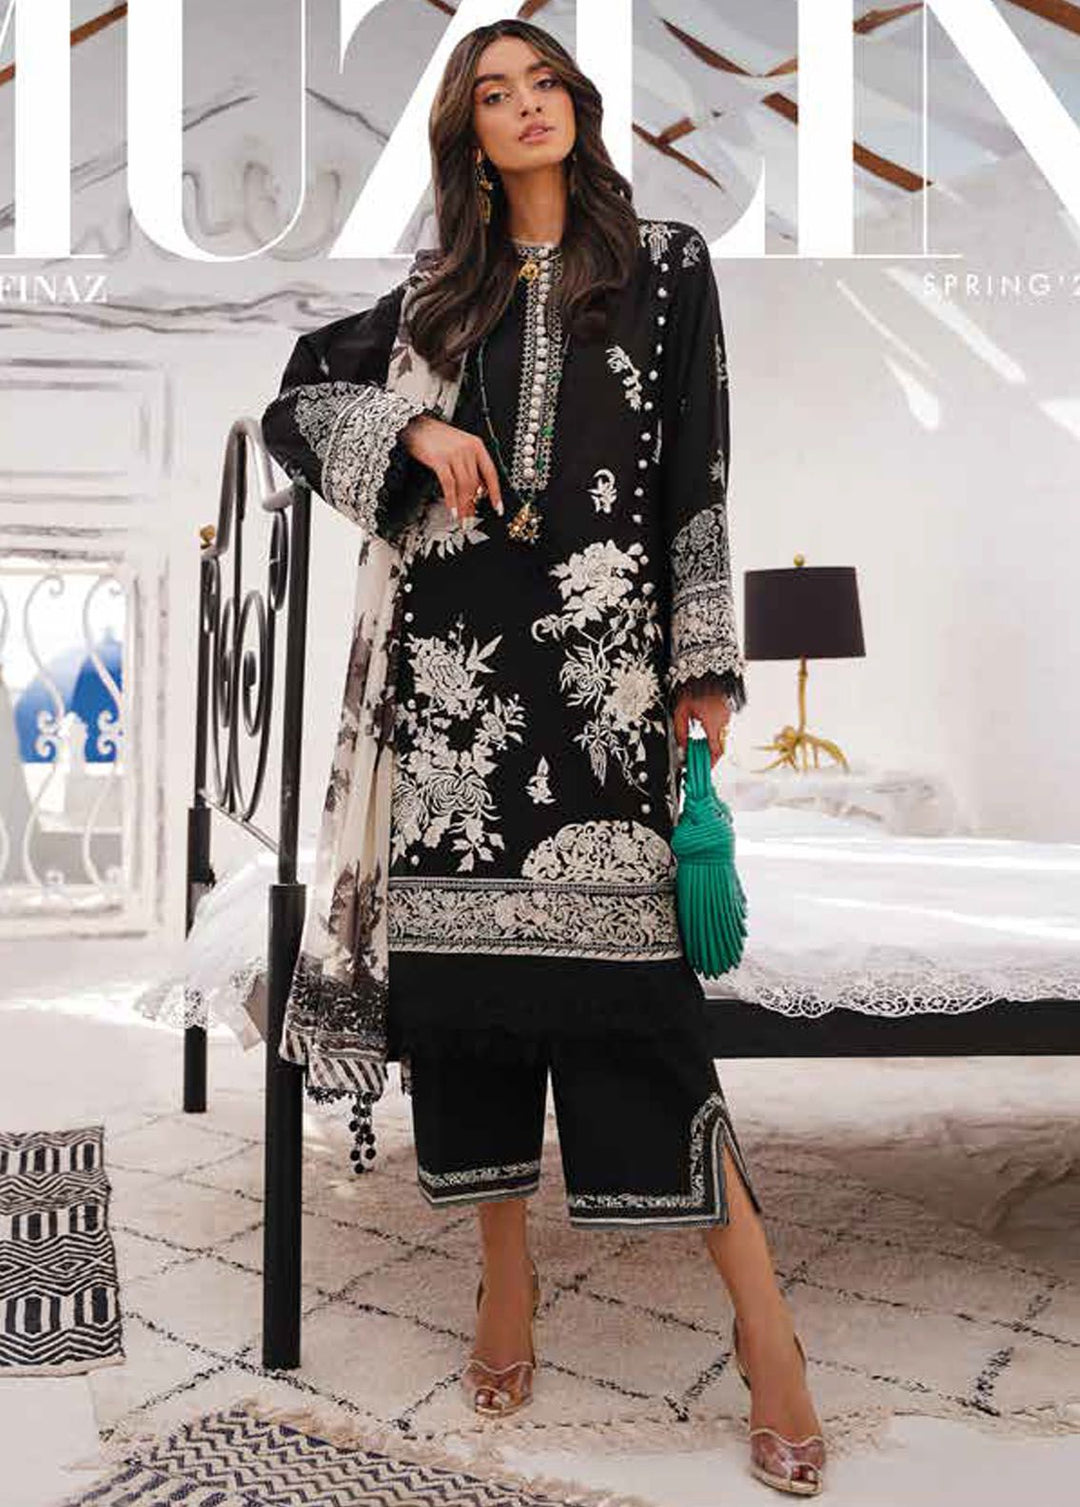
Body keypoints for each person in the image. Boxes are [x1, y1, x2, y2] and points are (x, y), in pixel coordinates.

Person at [260, 18, 825, 1497]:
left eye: (543, 84)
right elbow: (293, 405)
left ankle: (769, 1336)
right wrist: (413, 430)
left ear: (578, 104)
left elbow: (697, 474)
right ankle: (503, 1284)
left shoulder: (667, 268)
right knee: (475, 1018)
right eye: (494, 94)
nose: (525, 107)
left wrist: (701, 666)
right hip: (455, 701)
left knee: (644, 1017)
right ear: (469, 136)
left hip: (601, 688)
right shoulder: (432, 301)